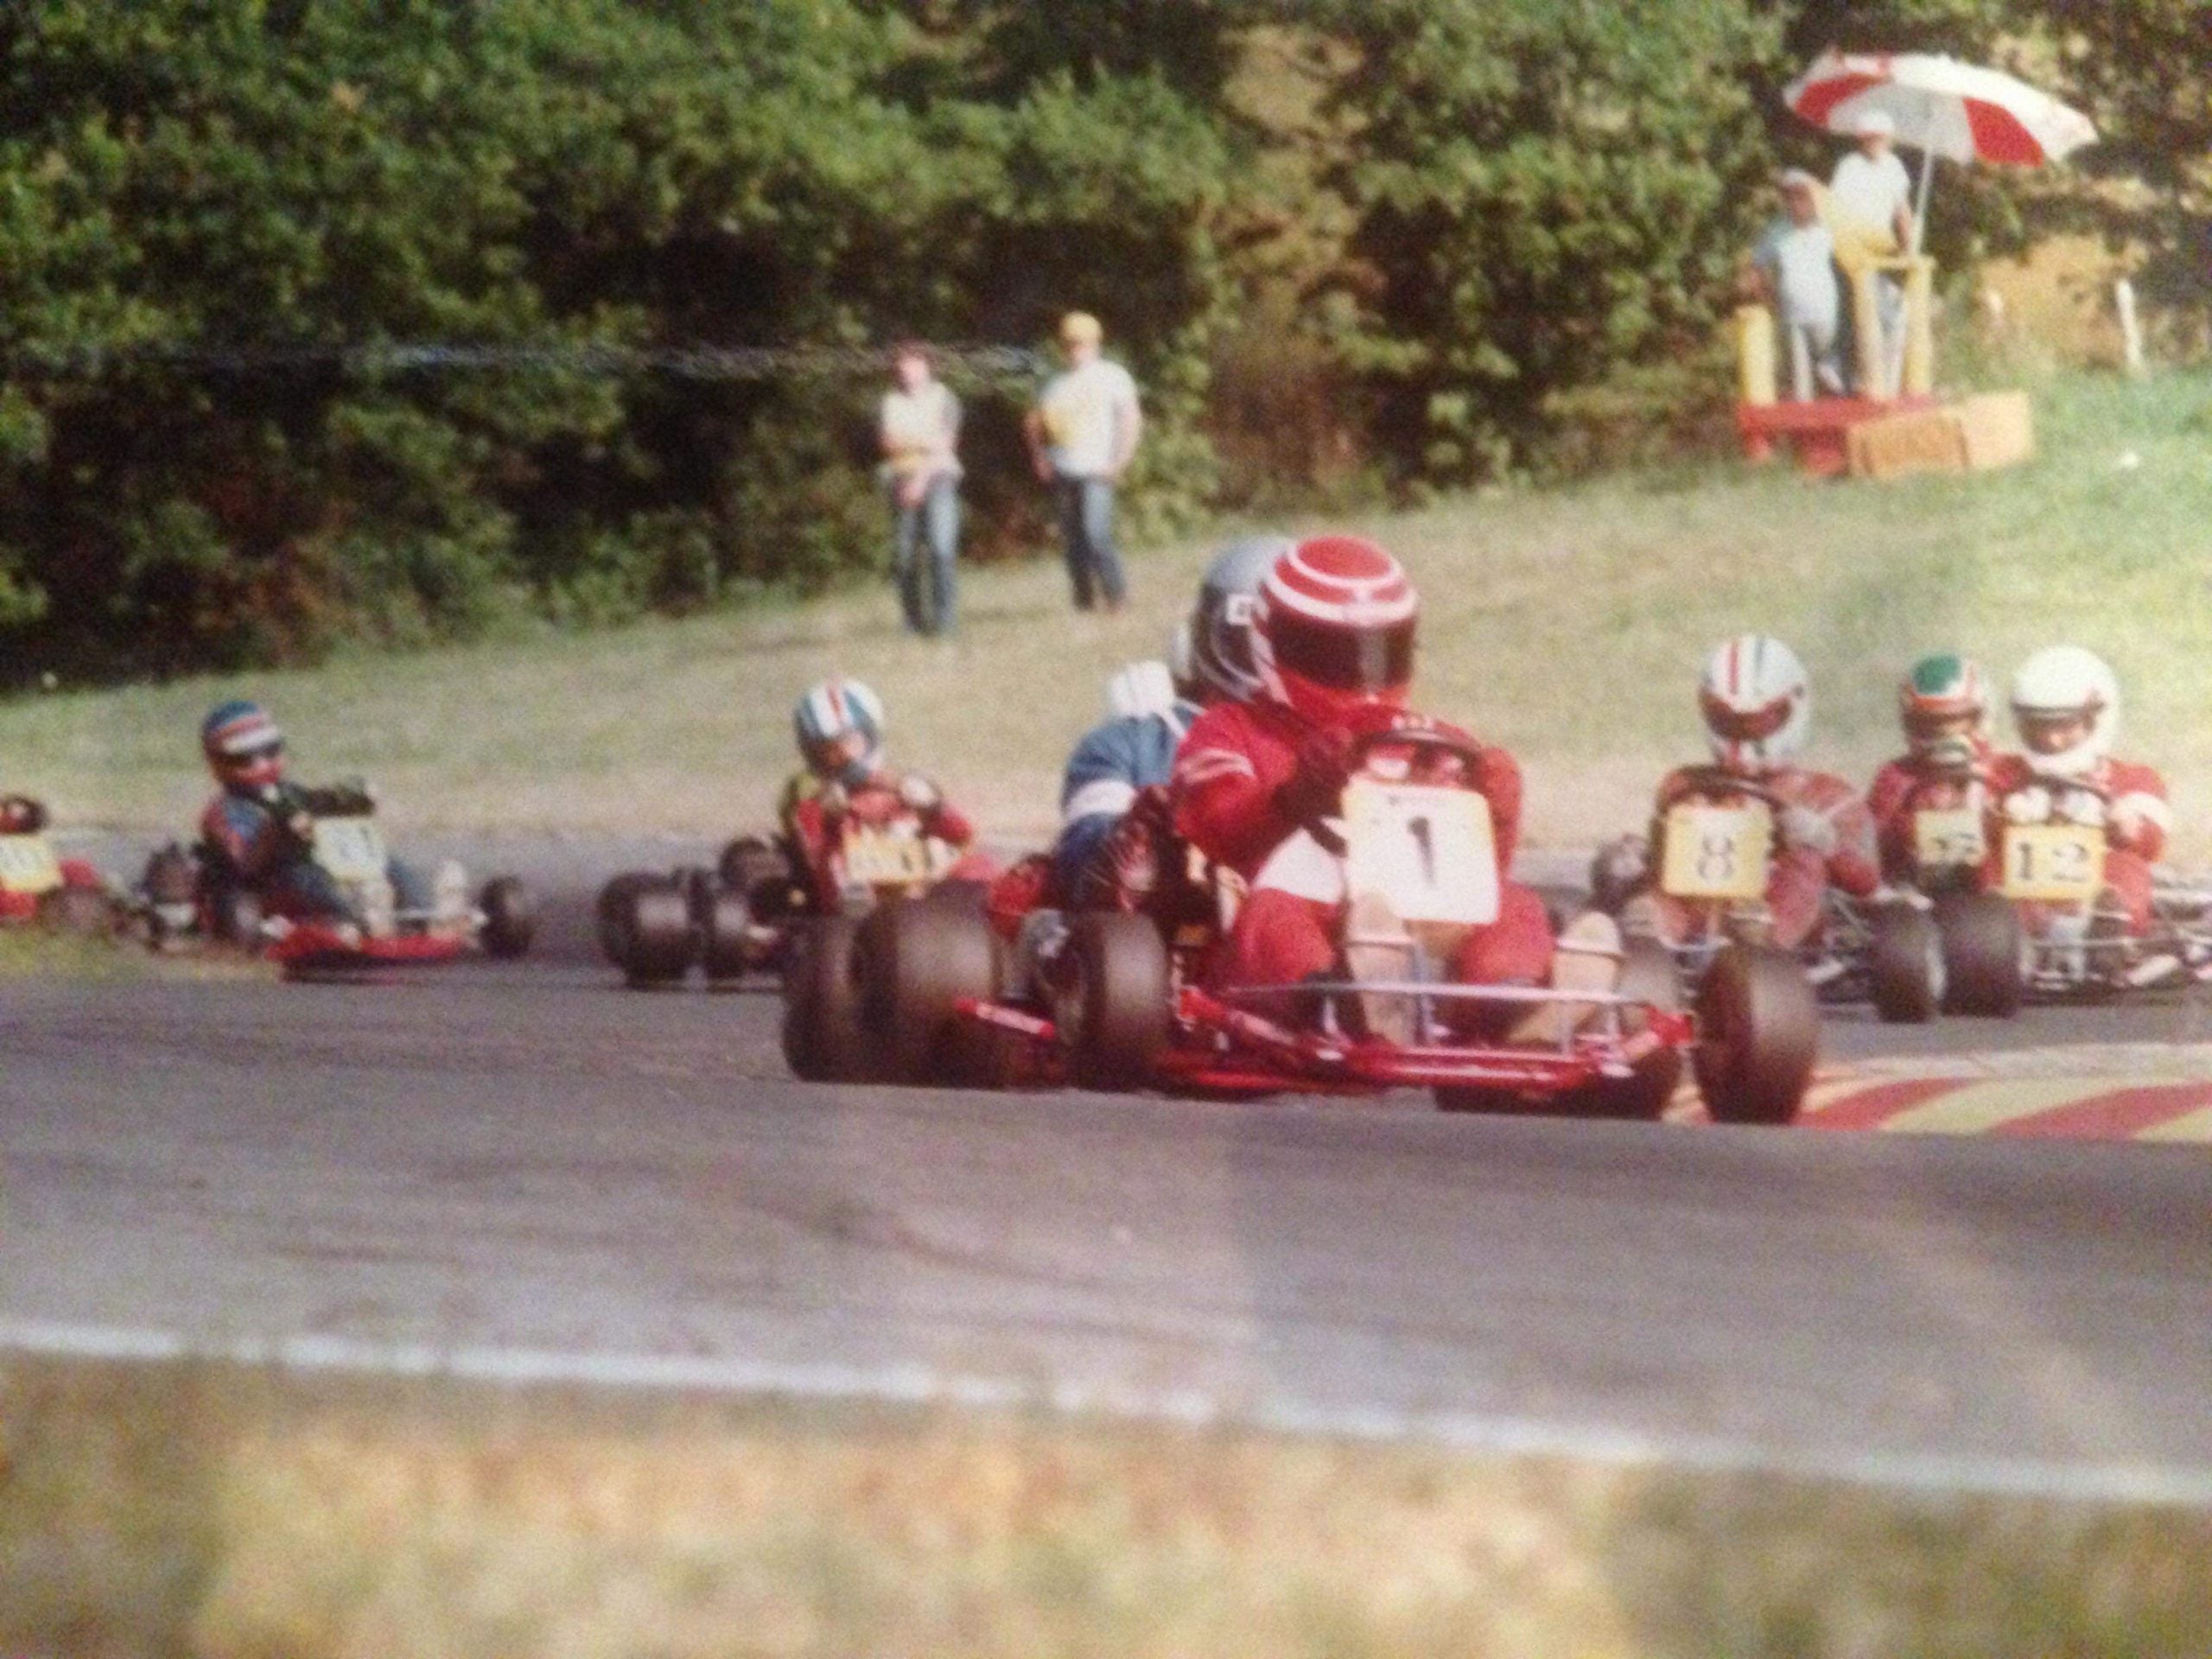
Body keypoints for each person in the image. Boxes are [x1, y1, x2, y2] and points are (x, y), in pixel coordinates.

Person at [1169, 535, 1558, 1012]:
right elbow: (1215, 831)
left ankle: (1508, 1001)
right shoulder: (1230, 731)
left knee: (1515, 903)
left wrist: (1496, 815)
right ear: (1272, 642)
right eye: (1334, 655)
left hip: (1423, 919)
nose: (1361, 674)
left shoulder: (1433, 742)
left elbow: (1475, 877)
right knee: (1275, 912)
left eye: (1381, 652)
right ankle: (1342, 997)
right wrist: (1294, 797)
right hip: (1285, 925)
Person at [1596, 636, 1878, 957]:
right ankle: (1654, 933)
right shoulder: (1684, 785)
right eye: (1727, 721)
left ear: (1794, 708)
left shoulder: (1827, 795)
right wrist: (1632, 860)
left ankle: (1764, 933)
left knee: (1807, 859)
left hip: (1791, 924)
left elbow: (1867, 882)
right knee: (1659, 879)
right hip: (1694, 914)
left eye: (1759, 721)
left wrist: (1825, 841)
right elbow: (1657, 865)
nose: (1742, 734)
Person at [1987, 646, 2170, 946]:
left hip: (2095, 888)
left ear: (2096, 719)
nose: (2050, 738)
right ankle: (1999, 930)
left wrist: (2128, 828)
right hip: (2018, 892)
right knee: (1986, 870)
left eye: (2064, 725)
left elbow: (2153, 839)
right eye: (2038, 725)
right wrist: (1992, 816)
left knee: (2126, 866)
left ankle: (2110, 925)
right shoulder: (2003, 773)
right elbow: (1971, 816)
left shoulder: (2132, 779)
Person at [196, 699, 429, 925]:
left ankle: (419, 912)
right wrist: (278, 830)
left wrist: (349, 798)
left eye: (270, 751)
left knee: (385, 862)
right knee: (306, 875)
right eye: (245, 758)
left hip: (320, 863)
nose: (262, 764)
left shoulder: (289, 792)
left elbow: (318, 802)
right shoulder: (223, 811)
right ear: (218, 763)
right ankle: (355, 919)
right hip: (267, 884)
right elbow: (245, 862)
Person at [780, 676, 977, 912]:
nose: (845, 755)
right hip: (857, 913)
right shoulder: (814, 807)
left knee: (979, 870)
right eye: (830, 749)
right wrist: (832, 822)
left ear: (870, 736)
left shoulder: (908, 790)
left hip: (925, 895)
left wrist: (933, 807)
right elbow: (817, 863)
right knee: (847, 885)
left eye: (850, 742)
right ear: (815, 755)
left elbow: (962, 837)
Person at [1025, 311, 1141, 613]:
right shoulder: (1055, 384)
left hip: (1097, 470)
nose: (1076, 349)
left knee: (1096, 535)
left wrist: (1120, 461)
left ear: (1095, 344)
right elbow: (1033, 424)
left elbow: (1130, 419)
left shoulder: (1113, 376)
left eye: (1082, 343)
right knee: (1072, 541)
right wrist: (1040, 457)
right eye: (1070, 344)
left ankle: (1116, 597)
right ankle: (1083, 602)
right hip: (1064, 470)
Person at [1866, 654, 2005, 890]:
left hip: (1994, 894)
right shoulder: (1896, 777)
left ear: (1981, 718)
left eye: (1955, 723)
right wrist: (1910, 828)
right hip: (1918, 895)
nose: (1944, 736)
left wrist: (1999, 821)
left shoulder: (2002, 771)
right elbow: (1872, 841)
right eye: (1930, 725)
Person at [1827, 109, 1915, 394]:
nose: (1875, 142)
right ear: (1861, 140)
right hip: (1853, 247)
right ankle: (1848, 373)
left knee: (1890, 314)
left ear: (1889, 139)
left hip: (1881, 248)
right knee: (1856, 310)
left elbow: (1901, 210)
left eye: (1880, 137)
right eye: (1869, 138)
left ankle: (1883, 379)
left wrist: (1908, 248)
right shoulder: (1849, 167)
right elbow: (1838, 212)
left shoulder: (1894, 167)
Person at [877, 341, 962, 636]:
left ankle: (945, 621)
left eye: (915, 365)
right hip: (900, 478)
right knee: (905, 555)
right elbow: (888, 443)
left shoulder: (945, 398)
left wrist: (920, 478)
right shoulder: (890, 401)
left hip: (938, 478)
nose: (909, 372)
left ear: (927, 366)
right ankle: (912, 622)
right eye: (904, 367)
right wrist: (924, 442)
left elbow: (945, 445)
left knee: (941, 548)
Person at [1751, 169, 1845, 400]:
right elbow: (1757, 265)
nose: (1796, 203)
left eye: (1802, 196)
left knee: (1830, 371)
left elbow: (1852, 258)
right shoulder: (1777, 230)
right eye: (1790, 197)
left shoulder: (1828, 227)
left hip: (1826, 312)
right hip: (1792, 317)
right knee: (1800, 383)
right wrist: (1767, 296)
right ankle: (1803, 427)